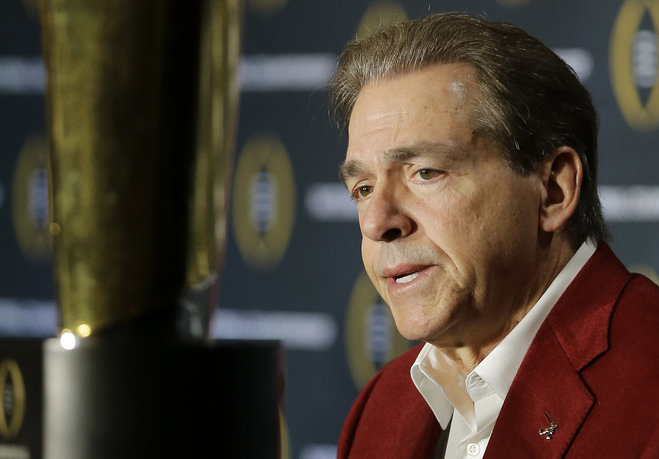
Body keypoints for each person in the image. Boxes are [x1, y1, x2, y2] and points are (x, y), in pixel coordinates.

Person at [330, 12, 659, 458]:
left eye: (425, 172)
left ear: (553, 191)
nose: (376, 223)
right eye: (363, 189)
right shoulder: (382, 407)